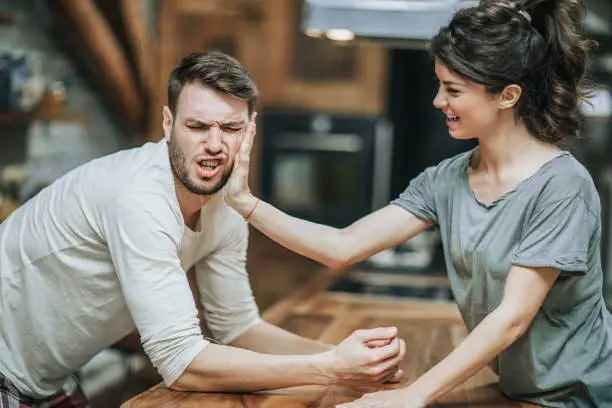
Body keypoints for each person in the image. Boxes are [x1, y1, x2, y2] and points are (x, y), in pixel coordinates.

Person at [225, 0, 612, 407]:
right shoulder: (447, 179)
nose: (437, 101)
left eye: (453, 90)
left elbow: (512, 317)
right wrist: (245, 202)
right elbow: (342, 246)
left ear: (508, 95)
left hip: (587, 396)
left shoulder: (562, 187)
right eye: (439, 85)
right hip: (520, 394)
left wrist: (414, 396)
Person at [0, 51, 406, 407]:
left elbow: (238, 328)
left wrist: (353, 360)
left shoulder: (226, 205)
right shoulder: (139, 198)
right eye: (197, 127)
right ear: (168, 123)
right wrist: (331, 367)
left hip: (47, 376)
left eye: (230, 129)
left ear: (249, 130)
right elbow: (182, 365)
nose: (215, 145)